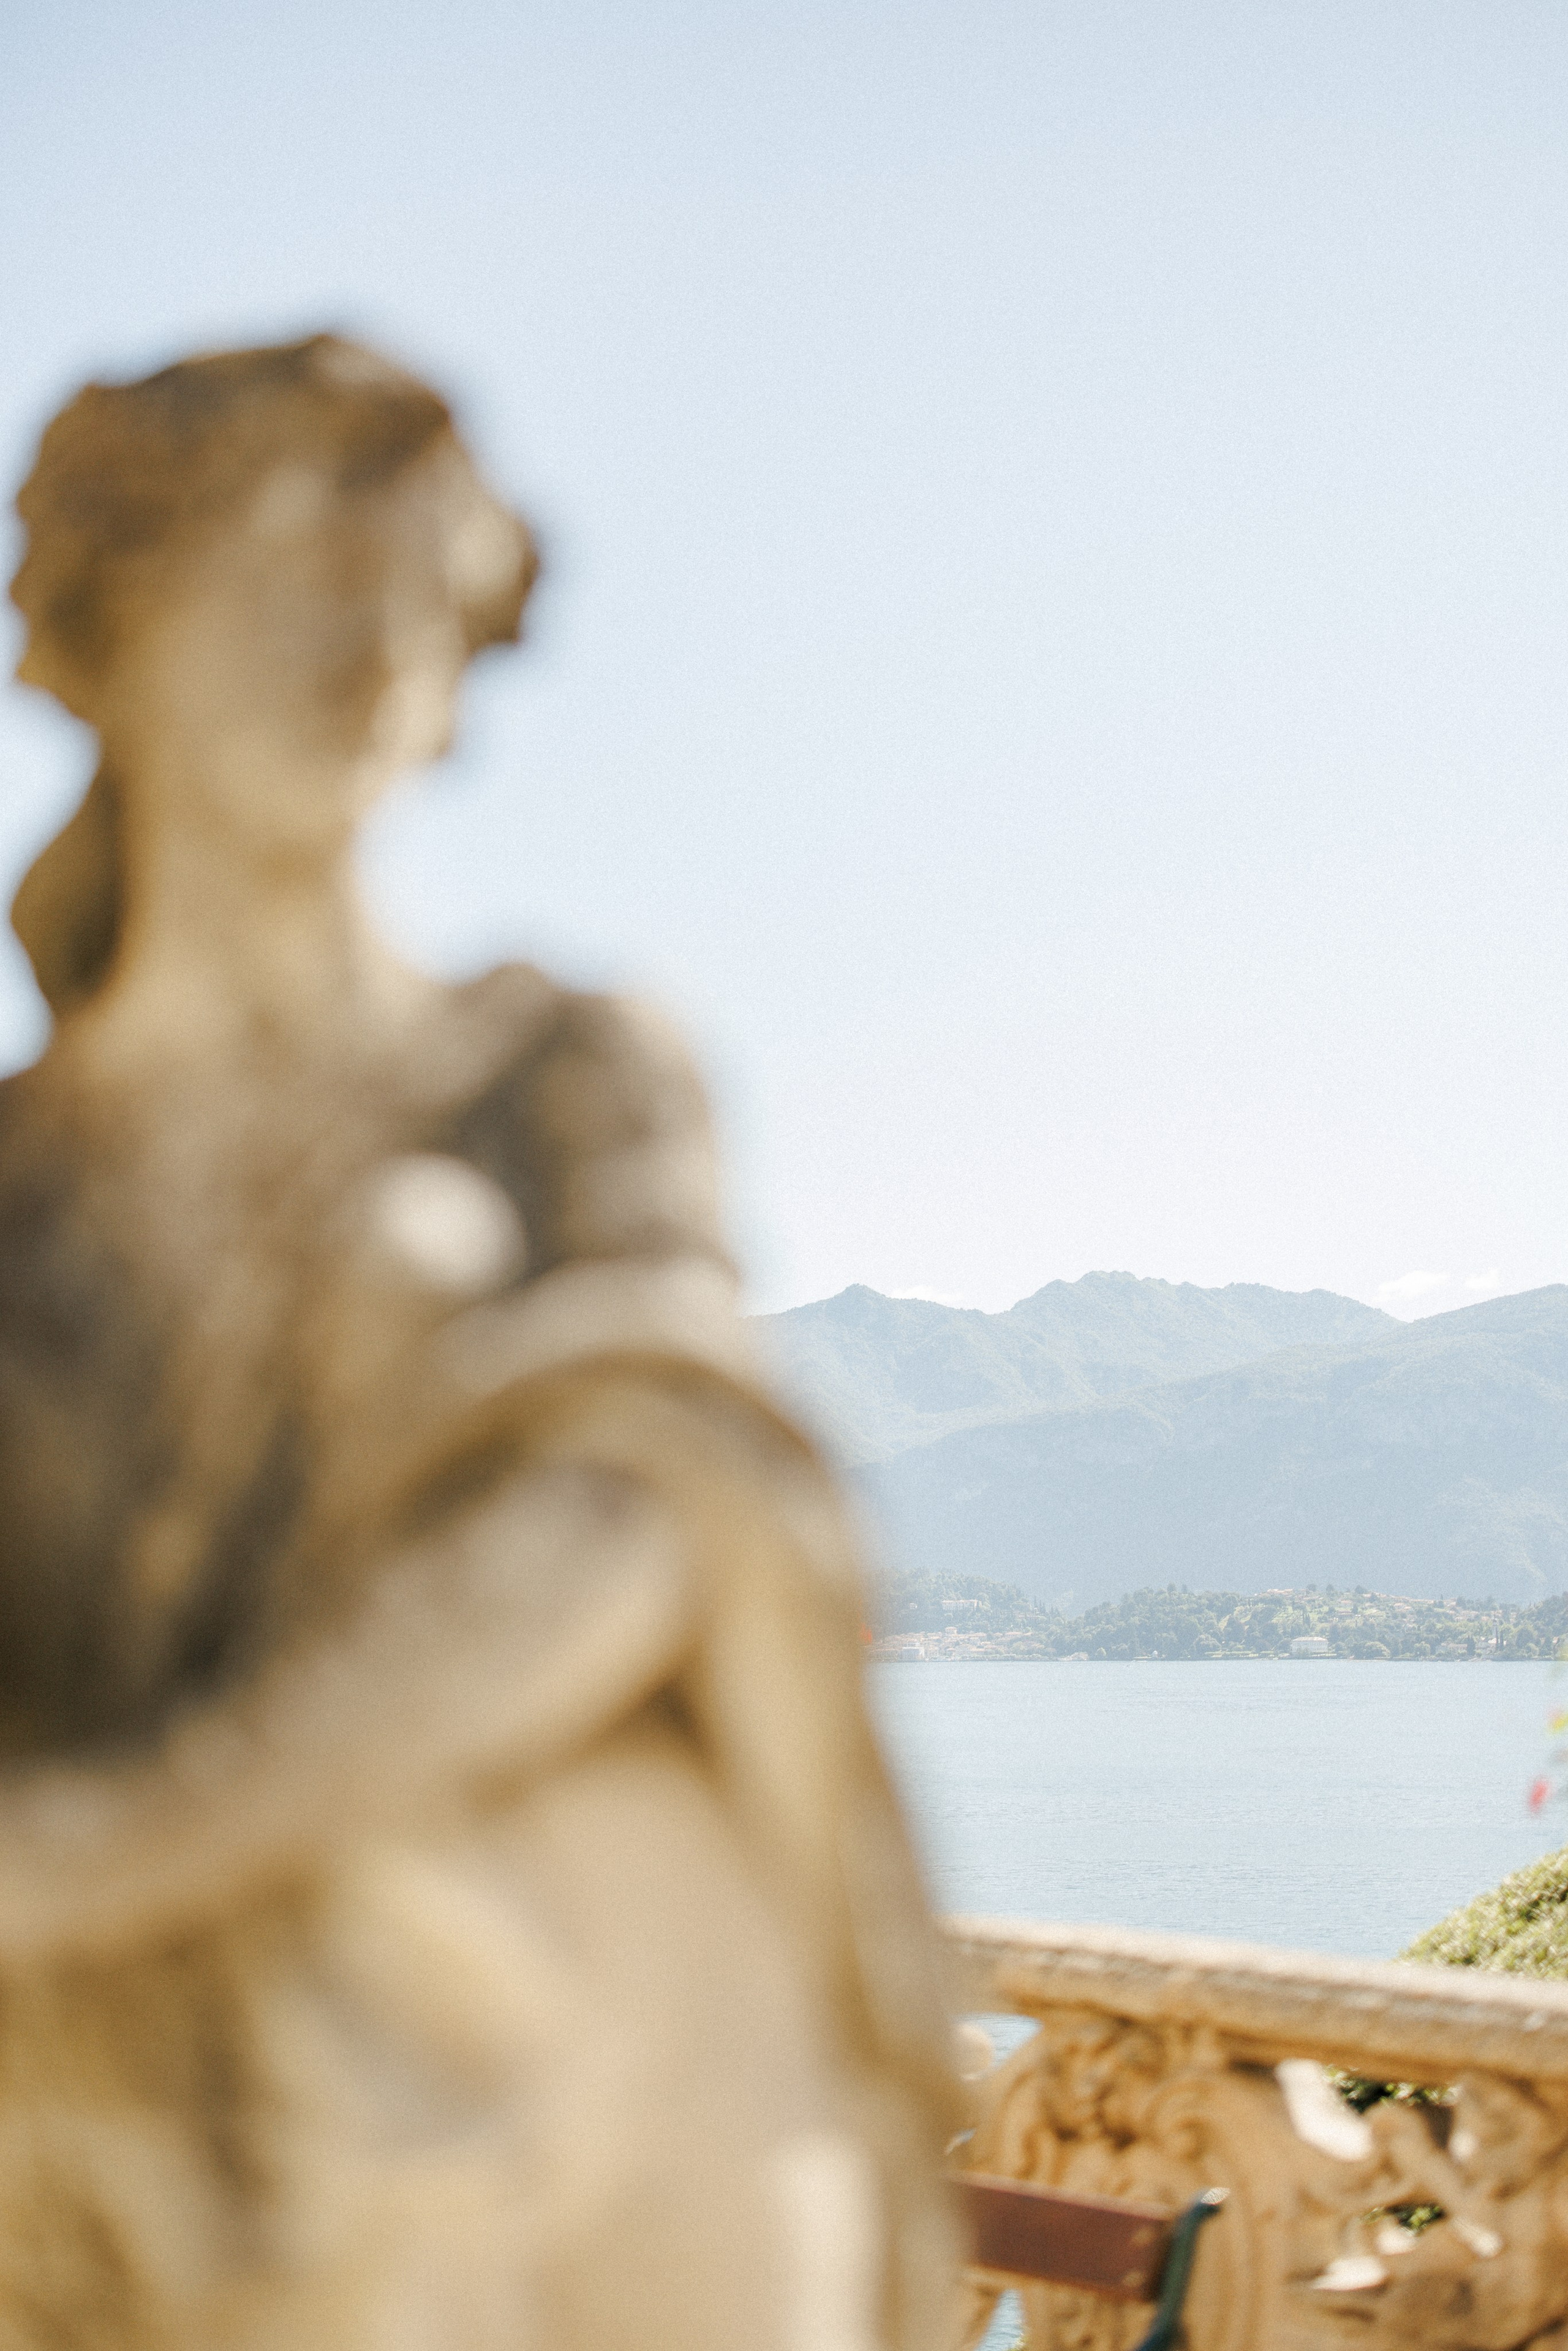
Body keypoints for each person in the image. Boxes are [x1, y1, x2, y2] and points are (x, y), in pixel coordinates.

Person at [0, 334, 959, 2350]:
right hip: (89, 2080)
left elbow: (653, 1502)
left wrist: (112, 1854)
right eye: (283, 578)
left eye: (414, 596)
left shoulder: (557, 1072)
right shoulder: (22, 1186)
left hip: (541, 2005)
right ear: (115, 639)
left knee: (604, 1877)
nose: (359, 652)